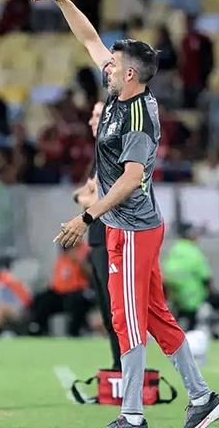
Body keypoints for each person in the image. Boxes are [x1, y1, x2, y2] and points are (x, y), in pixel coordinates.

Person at [24, 0, 219, 427]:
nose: (107, 67)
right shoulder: (119, 92)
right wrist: (62, 0)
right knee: (153, 316)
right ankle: (202, 398)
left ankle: (133, 416)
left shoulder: (138, 116)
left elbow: (132, 179)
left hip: (133, 228)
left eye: (114, 65)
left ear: (131, 75)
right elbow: (89, 39)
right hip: (125, 225)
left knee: (127, 320)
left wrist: (87, 215)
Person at [73, 100, 122, 370]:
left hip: (111, 238)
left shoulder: (112, 154)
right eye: (91, 114)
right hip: (98, 239)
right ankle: (118, 369)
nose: (92, 120)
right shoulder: (99, 154)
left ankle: (125, 369)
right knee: (107, 309)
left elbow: (98, 199)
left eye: (98, 115)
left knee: (116, 309)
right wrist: (87, 196)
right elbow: (83, 195)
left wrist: (89, 197)